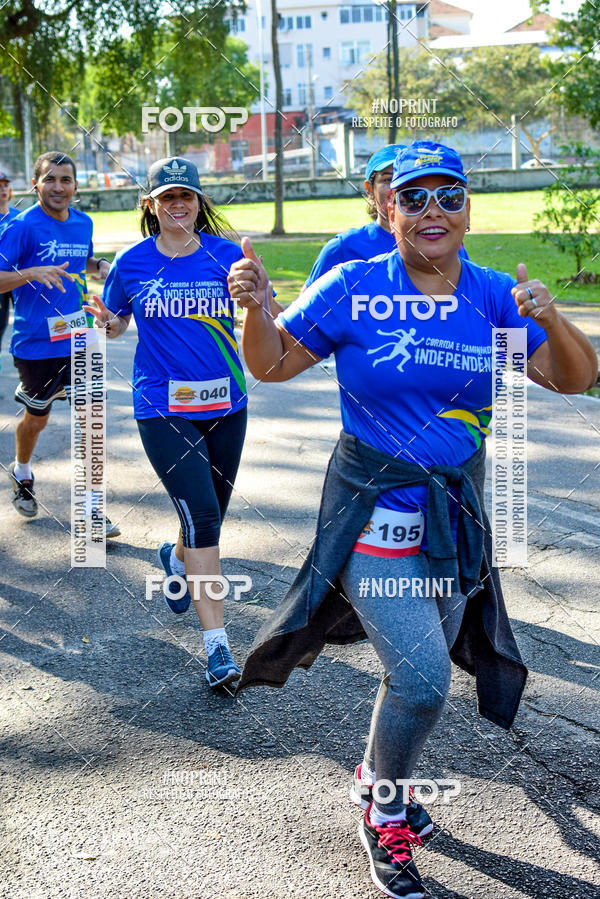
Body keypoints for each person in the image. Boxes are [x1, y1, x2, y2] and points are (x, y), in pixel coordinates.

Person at [228, 141, 597, 898]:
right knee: (425, 681)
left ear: (468, 210)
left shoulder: (494, 295)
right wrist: (252, 308)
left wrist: (551, 317)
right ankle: (385, 811)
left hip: (454, 521)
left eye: (449, 195)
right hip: (374, 515)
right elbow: (269, 365)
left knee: (415, 674)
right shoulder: (354, 286)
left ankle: (377, 775)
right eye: (415, 196)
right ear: (388, 209)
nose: (433, 210)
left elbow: (575, 379)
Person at [85, 156, 247, 689]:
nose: (178, 204)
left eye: (186, 195)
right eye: (167, 196)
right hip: (162, 407)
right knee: (204, 518)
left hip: (226, 404)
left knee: (209, 515)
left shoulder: (228, 255)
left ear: (199, 202)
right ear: (150, 205)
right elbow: (116, 321)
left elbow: (259, 311)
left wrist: (257, 295)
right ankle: (218, 646)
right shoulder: (132, 262)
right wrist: (108, 324)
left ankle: (175, 559)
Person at [0, 151, 119, 536]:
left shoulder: (83, 222)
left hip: (80, 336)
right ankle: (21, 471)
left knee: (91, 420)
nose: (57, 187)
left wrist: (100, 265)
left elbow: (82, 260)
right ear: (35, 184)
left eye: (65, 180)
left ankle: (93, 509)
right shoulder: (21, 226)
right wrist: (31, 272)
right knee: (38, 418)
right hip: (36, 343)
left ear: (75, 186)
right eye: (49, 179)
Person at [304, 144, 467, 290]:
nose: (395, 188)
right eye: (388, 179)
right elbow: (308, 309)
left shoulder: (441, 242)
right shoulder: (343, 247)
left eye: (405, 181)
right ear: (369, 189)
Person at [0, 170, 20, 355]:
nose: (3, 189)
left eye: (5, 185)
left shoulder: (19, 217)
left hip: (20, 278)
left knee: (25, 323)